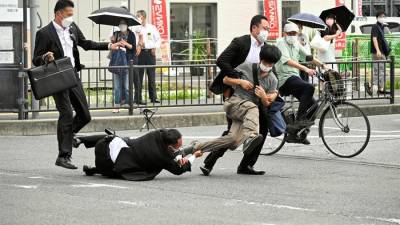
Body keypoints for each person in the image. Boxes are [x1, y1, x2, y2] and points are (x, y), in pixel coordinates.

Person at [32, 0, 121, 169]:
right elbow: (35, 59)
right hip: (56, 76)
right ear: (58, 14)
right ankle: (63, 156)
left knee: (85, 115)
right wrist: (45, 57)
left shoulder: (72, 28)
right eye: (69, 14)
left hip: (72, 75)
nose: (71, 17)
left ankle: (69, 135)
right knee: (66, 113)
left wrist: (110, 45)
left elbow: (86, 44)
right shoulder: (44, 33)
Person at [203, 15, 270, 176]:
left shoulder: (265, 47)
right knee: (233, 131)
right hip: (237, 93)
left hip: (256, 93)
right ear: (254, 28)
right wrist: (237, 78)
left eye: (268, 29)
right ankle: (211, 160)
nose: (267, 31)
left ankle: (246, 165)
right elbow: (222, 60)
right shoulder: (241, 42)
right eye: (264, 28)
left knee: (263, 127)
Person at [193, 45, 281, 161]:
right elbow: (225, 80)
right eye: (266, 62)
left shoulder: (273, 80)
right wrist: (240, 82)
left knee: (233, 140)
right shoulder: (246, 67)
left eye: (271, 64)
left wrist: (264, 96)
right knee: (252, 107)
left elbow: (266, 104)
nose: (268, 66)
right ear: (260, 59)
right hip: (235, 103)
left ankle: (195, 146)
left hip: (247, 114)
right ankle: (251, 136)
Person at [78, 129, 203, 181]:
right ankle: (96, 169)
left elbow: (171, 154)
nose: (180, 148)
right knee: (124, 166)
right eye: (178, 146)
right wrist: (194, 156)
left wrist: (178, 156)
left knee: (114, 137)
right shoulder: (162, 157)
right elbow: (178, 170)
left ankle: (82, 140)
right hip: (107, 166)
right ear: (169, 146)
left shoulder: (156, 134)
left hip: (103, 145)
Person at [275, 23, 326, 144]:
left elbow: (308, 57)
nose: (292, 36)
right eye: (290, 34)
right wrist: (305, 69)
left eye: (294, 34)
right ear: (284, 34)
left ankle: (298, 133)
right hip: (284, 79)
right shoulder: (280, 43)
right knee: (309, 87)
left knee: (314, 105)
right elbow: (287, 61)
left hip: (294, 78)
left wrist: (323, 65)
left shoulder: (296, 44)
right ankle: (299, 120)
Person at [110, 20, 137, 113]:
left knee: (126, 85)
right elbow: (112, 47)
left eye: (124, 24)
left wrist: (125, 44)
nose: (122, 26)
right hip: (117, 62)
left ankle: (128, 103)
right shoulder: (116, 34)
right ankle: (117, 105)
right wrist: (113, 42)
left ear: (127, 25)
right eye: (120, 24)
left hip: (127, 62)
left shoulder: (131, 34)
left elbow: (133, 48)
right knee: (117, 86)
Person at [135, 10, 161, 104]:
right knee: (139, 77)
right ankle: (138, 98)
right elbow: (134, 40)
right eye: (137, 16)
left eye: (139, 16)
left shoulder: (152, 27)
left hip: (150, 53)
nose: (138, 18)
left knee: (151, 76)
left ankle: (153, 97)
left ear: (144, 17)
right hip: (140, 53)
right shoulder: (136, 28)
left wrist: (155, 47)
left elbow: (158, 39)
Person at [366, 10, 391, 95]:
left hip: (382, 52)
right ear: (377, 18)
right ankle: (369, 85)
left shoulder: (382, 27)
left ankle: (381, 89)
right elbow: (374, 38)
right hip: (377, 52)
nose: (382, 18)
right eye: (381, 16)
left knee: (382, 71)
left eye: (384, 16)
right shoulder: (375, 26)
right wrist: (377, 50)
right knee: (378, 70)